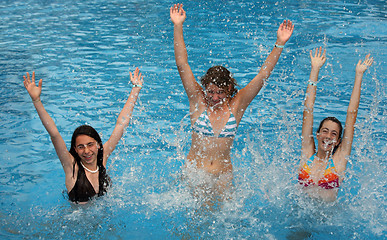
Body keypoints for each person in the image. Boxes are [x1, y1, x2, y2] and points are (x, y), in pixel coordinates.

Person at [170, 3, 294, 200]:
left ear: (229, 89)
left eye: (220, 93)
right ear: (205, 88)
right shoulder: (197, 100)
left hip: (224, 176)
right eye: (210, 92)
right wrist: (178, 26)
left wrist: (279, 43)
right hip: (196, 173)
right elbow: (182, 63)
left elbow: (263, 75)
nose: (215, 98)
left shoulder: (237, 104)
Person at [23, 68, 143, 203]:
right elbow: (54, 134)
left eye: (90, 145)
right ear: (75, 149)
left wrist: (135, 89)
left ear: (98, 144)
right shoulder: (71, 167)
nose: (86, 151)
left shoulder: (102, 158)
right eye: (80, 147)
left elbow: (121, 124)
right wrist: (36, 100)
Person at [299, 47, 373, 202]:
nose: (328, 136)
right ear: (317, 135)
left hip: (326, 224)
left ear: (339, 141)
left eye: (334, 134)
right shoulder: (307, 153)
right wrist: (315, 70)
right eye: (325, 131)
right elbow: (308, 111)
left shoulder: (339, 160)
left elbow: (351, 114)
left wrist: (359, 75)